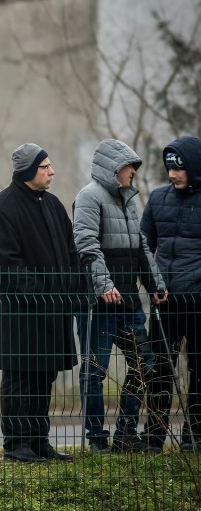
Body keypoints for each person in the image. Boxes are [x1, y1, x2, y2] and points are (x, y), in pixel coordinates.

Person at [0, 143, 80, 463]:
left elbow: (71, 254)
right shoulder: (2, 207)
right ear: (27, 171)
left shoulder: (53, 205)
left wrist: (72, 289)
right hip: (21, 313)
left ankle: (39, 441)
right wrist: (45, 293)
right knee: (20, 376)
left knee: (44, 376)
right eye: (44, 167)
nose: (51, 171)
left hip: (53, 310)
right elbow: (8, 266)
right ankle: (16, 443)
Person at [73, 139, 166, 453]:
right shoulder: (88, 198)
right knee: (95, 371)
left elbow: (140, 248)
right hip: (100, 304)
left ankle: (126, 432)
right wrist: (104, 285)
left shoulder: (129, 201)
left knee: (145, 363)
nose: (133, 173)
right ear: (113, 168)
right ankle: (97, 439)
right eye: (130, 167)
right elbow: (87, 246)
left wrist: (155, 287)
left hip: (129, 303)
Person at [141, 136, 201, 453]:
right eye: (169, 169)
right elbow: (143, 246)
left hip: (198, 300)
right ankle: (154, 437)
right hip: (164, 301)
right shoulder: (157, 198)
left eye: (178, 169)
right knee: (160, 367)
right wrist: (154, 284)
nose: (172, 175)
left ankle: (195, 436)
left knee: (198, 369)